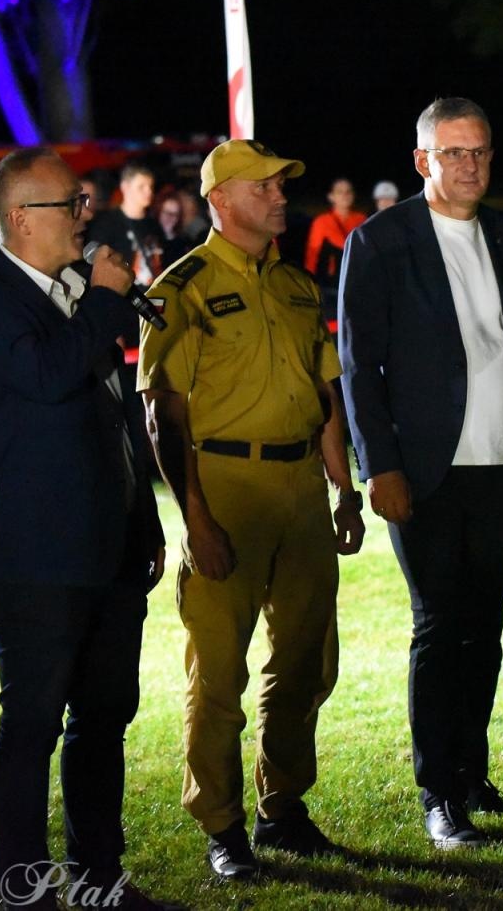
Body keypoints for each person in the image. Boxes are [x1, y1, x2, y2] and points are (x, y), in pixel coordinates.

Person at [0, 147, 172, 909]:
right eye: (69, 205)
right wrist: (106, 301)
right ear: (18, 220)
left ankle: (99, 877)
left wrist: (145, 520)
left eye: (82, 201)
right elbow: (47, 377)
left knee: (105, 718)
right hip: (33, 550)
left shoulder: (77, 287)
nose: (85, 215)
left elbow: (114, 414)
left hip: (109, 545)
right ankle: (22, 887)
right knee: (34, 720)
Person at [337, 97, 503, 848]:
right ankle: (439, 790)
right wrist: (381, 465)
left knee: (485, 627)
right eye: (453, 152)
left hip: (501, 463)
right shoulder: (380, 241)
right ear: (422, 160)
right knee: (440, 628)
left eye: (480, 152)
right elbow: (357, 369)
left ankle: (472, 770)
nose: (469, 165)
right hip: (427, 469)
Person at [137, 139, 365, 881]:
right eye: (263, 186)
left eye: (279, 186)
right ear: (221, 201)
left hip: (300, 486)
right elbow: (163, 418)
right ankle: (222, 824)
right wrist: (196, 518)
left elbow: (325, 394)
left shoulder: (297, 286)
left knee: (306, 659)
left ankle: (283, 807)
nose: (278, 197)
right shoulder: (184, 288)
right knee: (219, 672)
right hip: (224, 487)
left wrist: (343, 487)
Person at [86, 161, 166, 288]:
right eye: (141, 187)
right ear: (125, 187)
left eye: (150, 187)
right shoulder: (107, 223)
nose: (148, 192)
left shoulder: (153, 224)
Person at [303, 177, 366, 321]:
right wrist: (309, 285)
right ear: (331, 196)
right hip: (331, 287)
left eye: (348, 192)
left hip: (357, 284)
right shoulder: (322, 222)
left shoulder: (361, 219)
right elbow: (312, 254)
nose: (345, 195)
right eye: (340, 192)